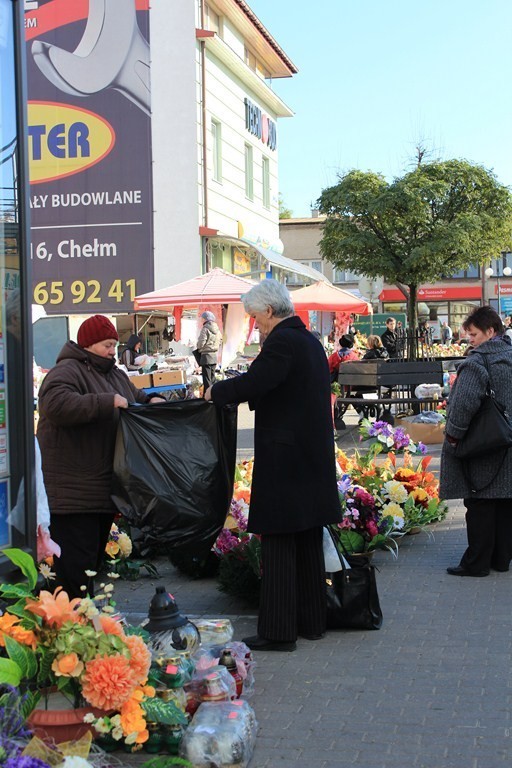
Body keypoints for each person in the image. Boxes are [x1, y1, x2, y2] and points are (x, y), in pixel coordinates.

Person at [205, 280, 341, 651]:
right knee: (308, 541)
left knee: (280, 543)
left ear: (268, 311)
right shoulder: (309, 340)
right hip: (309, 457)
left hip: (285, 460)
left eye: (254, 317)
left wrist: (215, 393)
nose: (255, 325)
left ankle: (279, 632)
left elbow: (259, 381)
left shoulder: (281, 341)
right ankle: (313, 623)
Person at [37, 314, 165, 598]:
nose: (112, 350)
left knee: (87, 568)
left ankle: (80, 627)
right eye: (107, 344)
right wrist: (106, 403)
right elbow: (55, 405)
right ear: (89, 344)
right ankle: (66, 628)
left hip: (100, 491)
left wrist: (153, 401)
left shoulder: (114, 373)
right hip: (72, 496)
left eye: (113, 345)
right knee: (74, 572)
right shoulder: (66, 371)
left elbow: (133, 397)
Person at [440, 306, 512, 577]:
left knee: (480, 502)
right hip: (508, 442)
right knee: (506, 501)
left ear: (490, 331)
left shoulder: (477, 363)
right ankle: (501, 559)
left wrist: (453, 437)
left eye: (473, 333)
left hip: (483, 443)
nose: (469, 339)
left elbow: (462, 406)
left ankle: (477, 563)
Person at [196, 311, 221, 391]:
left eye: (202, 318)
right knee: (212, 378)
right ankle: (214, 395)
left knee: (207, 379)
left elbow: (201, 342)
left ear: (205, 319)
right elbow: (220, 341)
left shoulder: (205, 328)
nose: (201, 320)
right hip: (214, 356)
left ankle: (208, 397)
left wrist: (199, 348)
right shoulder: (217, 329)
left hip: (206, 356)